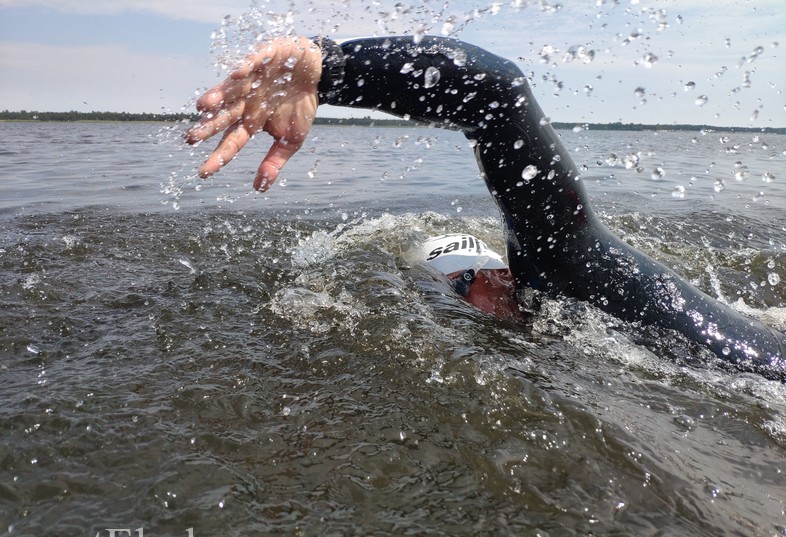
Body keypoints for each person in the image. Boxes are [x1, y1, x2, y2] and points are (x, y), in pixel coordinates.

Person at [185, 35, 786, 380]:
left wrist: (332, 69)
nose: (477, 289)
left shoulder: (580, 287)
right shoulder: (651, 321)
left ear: (497, 285)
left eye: (469, 282)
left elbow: (496, 93)